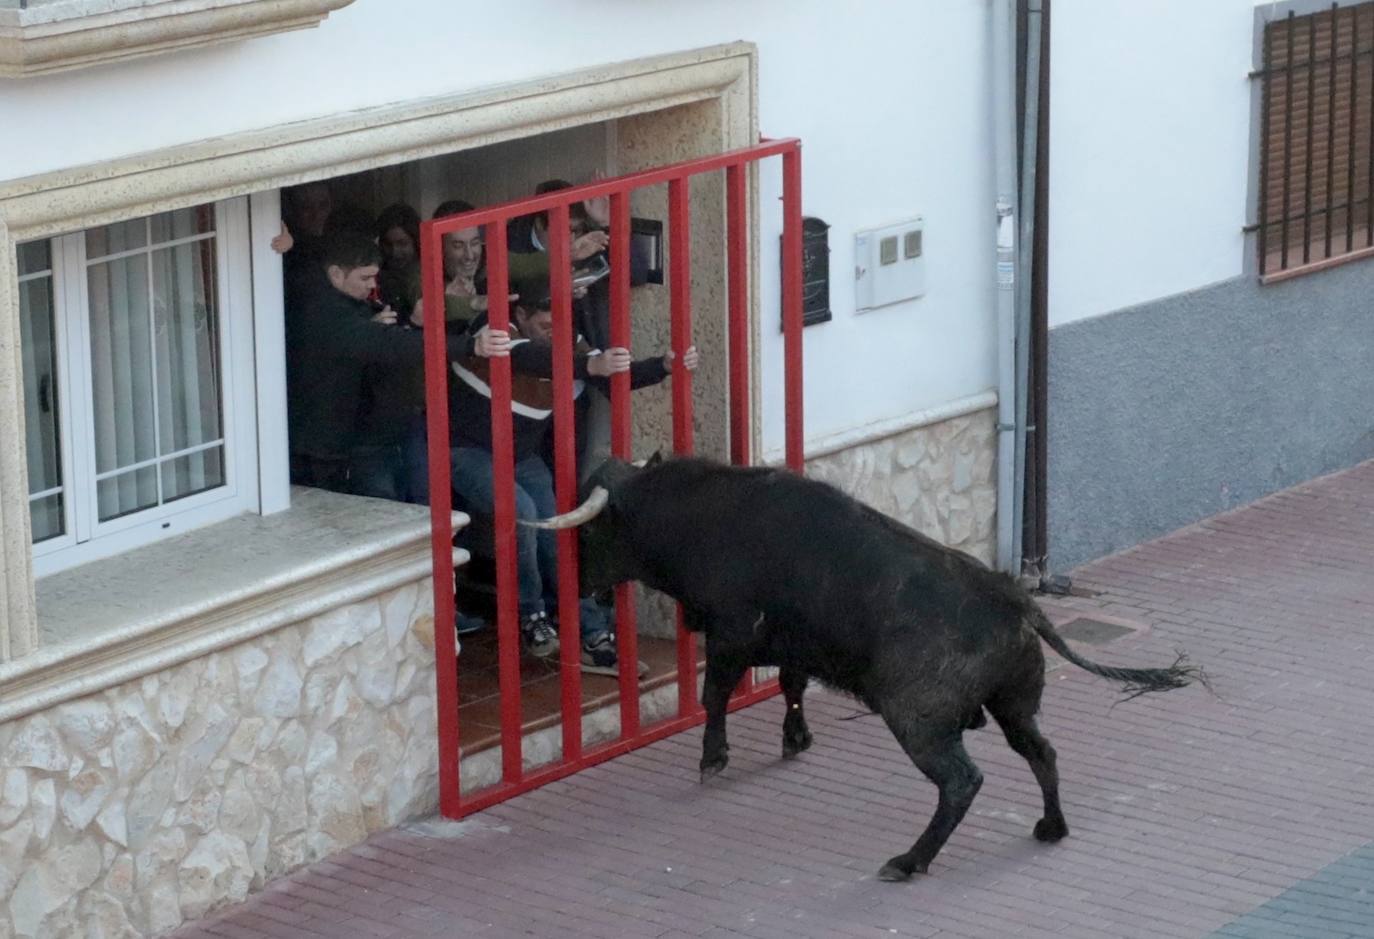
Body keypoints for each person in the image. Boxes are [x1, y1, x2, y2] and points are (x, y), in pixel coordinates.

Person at [448, 274, 697, 674]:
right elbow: (526, 357)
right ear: (521, 315)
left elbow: (612, 377)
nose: (555, 335)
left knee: (559, 531)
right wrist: (587, 362)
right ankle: (532, 617)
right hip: (467, 450)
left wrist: (664, 366)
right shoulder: (491, 331)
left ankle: (589, 630)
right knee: (524, 515)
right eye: (546, 326)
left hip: (521, 456)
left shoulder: (570, 344)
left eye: (562, 325)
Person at [286, 231, 498, 496]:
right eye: (364, 278)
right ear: (336, 274)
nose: (372, 285)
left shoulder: (350, 303)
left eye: (374, 276)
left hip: (365, 435)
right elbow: (391, 344)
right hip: (322, 449)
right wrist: (470, 346)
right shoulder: (325, 314)